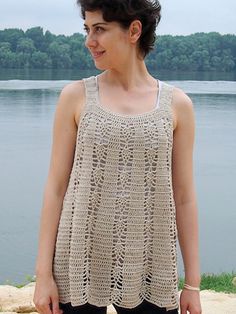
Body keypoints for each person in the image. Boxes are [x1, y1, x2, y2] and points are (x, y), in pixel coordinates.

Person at [33, 0, 202, 313]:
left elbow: (184, 197)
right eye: (87, 29)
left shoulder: (177, 106)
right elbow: (55, 189)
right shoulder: (75, 97)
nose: (89, 41)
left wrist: (192, 283)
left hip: (151, 263)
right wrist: (43, 276)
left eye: (100, 29)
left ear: (134, 30)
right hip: (76, 263)